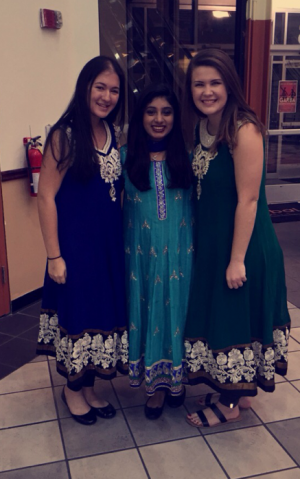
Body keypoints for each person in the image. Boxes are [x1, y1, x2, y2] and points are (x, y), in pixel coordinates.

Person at [182, 48, 291, 428]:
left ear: (229, 84)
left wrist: (236, 259)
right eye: (199, 83)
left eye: (215, 82)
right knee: (230, 320)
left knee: (232, 320)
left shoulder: (242, 128)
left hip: (243, 246)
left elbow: (247, 199)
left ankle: (228, 404)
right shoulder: (201, 127)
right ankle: (240, 393)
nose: (207, 91)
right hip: (214, 244)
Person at [36, 56, 128, 426]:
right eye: (100, 87)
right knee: (78, 316)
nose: (107, 96)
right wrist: (54, 255)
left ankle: (89, 387)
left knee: (99, 316)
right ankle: (72, 390)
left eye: (114, 90)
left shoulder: (112, 133)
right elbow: (46, 198)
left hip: (107, 248)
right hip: (74, 248)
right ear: (85, 87)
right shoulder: (64, 135)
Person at [121, 84, 193, 419]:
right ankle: (156, 388)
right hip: (141, 260)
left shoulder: (189, 160)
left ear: (176, 117)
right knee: (151, 316)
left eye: (166, 111)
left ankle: (176, 382)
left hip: (182, 257)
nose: (159, 118)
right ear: (140, 116)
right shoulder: (125, 159)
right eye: (151, 111)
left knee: (178, 315)